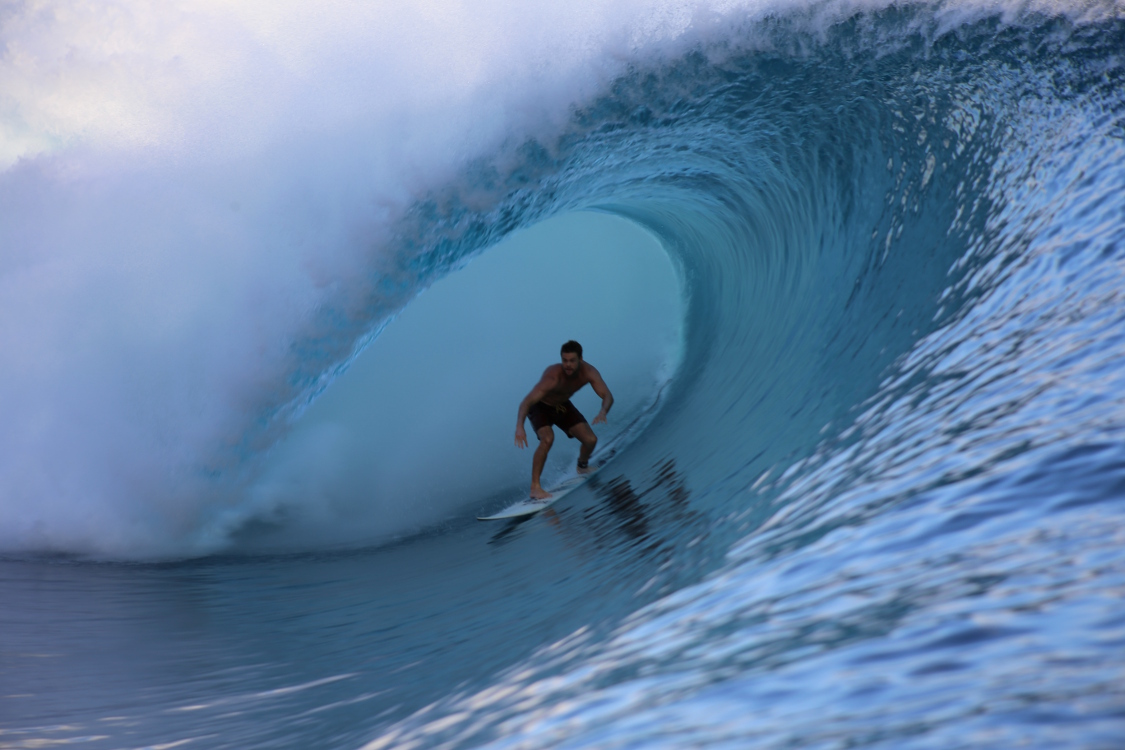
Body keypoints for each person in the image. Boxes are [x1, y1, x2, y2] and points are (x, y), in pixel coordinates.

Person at [515, 340, 614, 499]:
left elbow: (607, 395)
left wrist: (603, 411)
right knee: (547, 439)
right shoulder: (553, 377)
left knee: (590, 440)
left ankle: (582, 467)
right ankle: (535, 487)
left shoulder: (589, 372)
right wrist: (520, 427)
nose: (567, 365)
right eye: (564, 360)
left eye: (572, 361)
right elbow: (526, 402)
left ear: (580, 359)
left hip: (562, 406)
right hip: (539, 407)